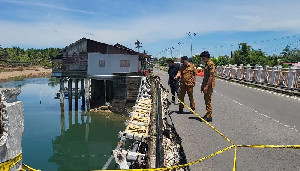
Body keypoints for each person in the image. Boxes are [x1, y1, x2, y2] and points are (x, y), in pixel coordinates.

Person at [200, 51, 215, 122]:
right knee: (206, 100)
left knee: (208, 100)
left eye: (203, 58)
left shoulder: (211, 64)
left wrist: (206, 86)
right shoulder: (206, 64)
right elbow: (205, 77)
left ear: (206, 57)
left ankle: (209, 116)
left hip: (209, 85)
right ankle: (208, 114)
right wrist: (202, 86)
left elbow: (211, 76)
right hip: (206, 85)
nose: (202, 59)